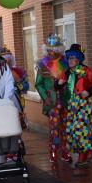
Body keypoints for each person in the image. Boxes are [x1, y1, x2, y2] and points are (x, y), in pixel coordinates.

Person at [62, 44, 92, 168]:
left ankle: (83, 156)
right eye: (68, 58)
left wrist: (89, 91)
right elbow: (58, 84)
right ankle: (88, 152)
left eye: (72, 58)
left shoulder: (87, 71)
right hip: (72, 106)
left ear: (78, 59)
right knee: (75, 131)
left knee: (82, 130)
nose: (70, 61)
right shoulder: (68, 72)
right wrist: (58, 84)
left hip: (84, 105)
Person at [36, 34, 70, 163]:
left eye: (53, 50)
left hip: (65, 100)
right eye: (48, 49)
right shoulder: (43, 64)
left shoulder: (66, 62)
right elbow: (38, 84)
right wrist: (45, 97)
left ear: (58, 50)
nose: (50, 52)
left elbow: (71, 81)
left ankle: (65, 152)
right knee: (54, 128)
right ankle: (54, 151)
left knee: (66, 128)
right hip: (52, 102)